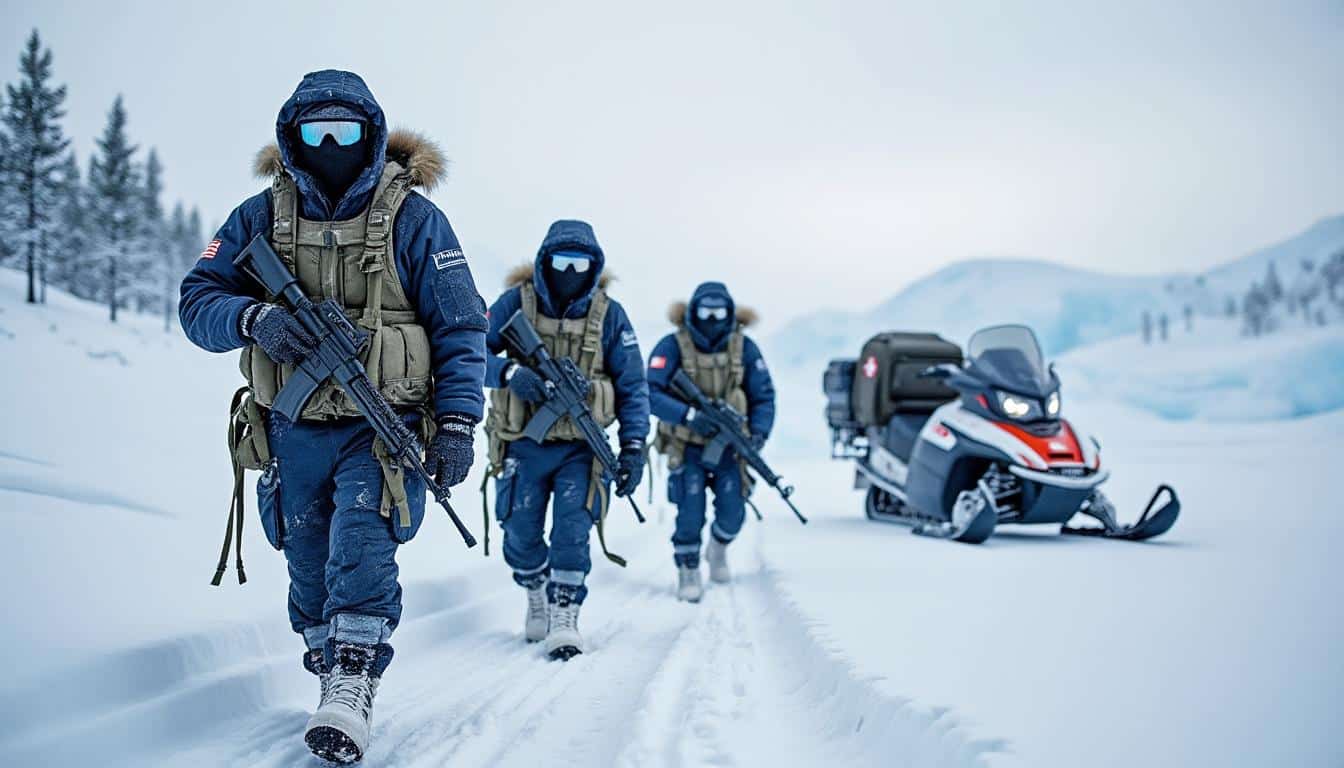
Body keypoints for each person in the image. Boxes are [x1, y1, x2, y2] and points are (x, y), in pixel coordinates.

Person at [178, 70, 487, 764]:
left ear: (372, 135)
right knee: (307, 557)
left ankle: (352, 679)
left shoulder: (416, 220)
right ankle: (328, 665)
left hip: (384, 426)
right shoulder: (259, 217)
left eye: (344, 130)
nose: (329, 143)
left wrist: (460, 422)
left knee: (362, 536)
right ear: (292, 134)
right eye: (314, 130)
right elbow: (197, 300)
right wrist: (253, 317)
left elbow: (463, 328)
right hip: (289, 425)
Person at [483, 220, 649, 660]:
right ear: (544, 261)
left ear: (594, 266)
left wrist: (634, 446)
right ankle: (535, 588)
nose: (570, 271)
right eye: (561, 261)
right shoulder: (513, 304)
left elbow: (633, 385)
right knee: (519, 532)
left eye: (580, 263)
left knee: (574, 530)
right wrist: (508, 373)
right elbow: (466, 349)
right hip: (523, 443)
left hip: (581, 449)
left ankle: (564, 610)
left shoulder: (609, 315)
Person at [646, 282, 775, 602]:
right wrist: (688, 415)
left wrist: (758, 432)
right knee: (690, 510)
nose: (712, 319)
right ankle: (687, 566)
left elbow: (763, 395)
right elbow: (650, 391)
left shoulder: (744, 348)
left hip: (730, 447)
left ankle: (717, 549)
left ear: (730, 312)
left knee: (733, 511)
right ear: (693, 312)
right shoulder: (672, 345)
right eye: (706, 311)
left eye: (719, 312)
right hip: (686, 443)